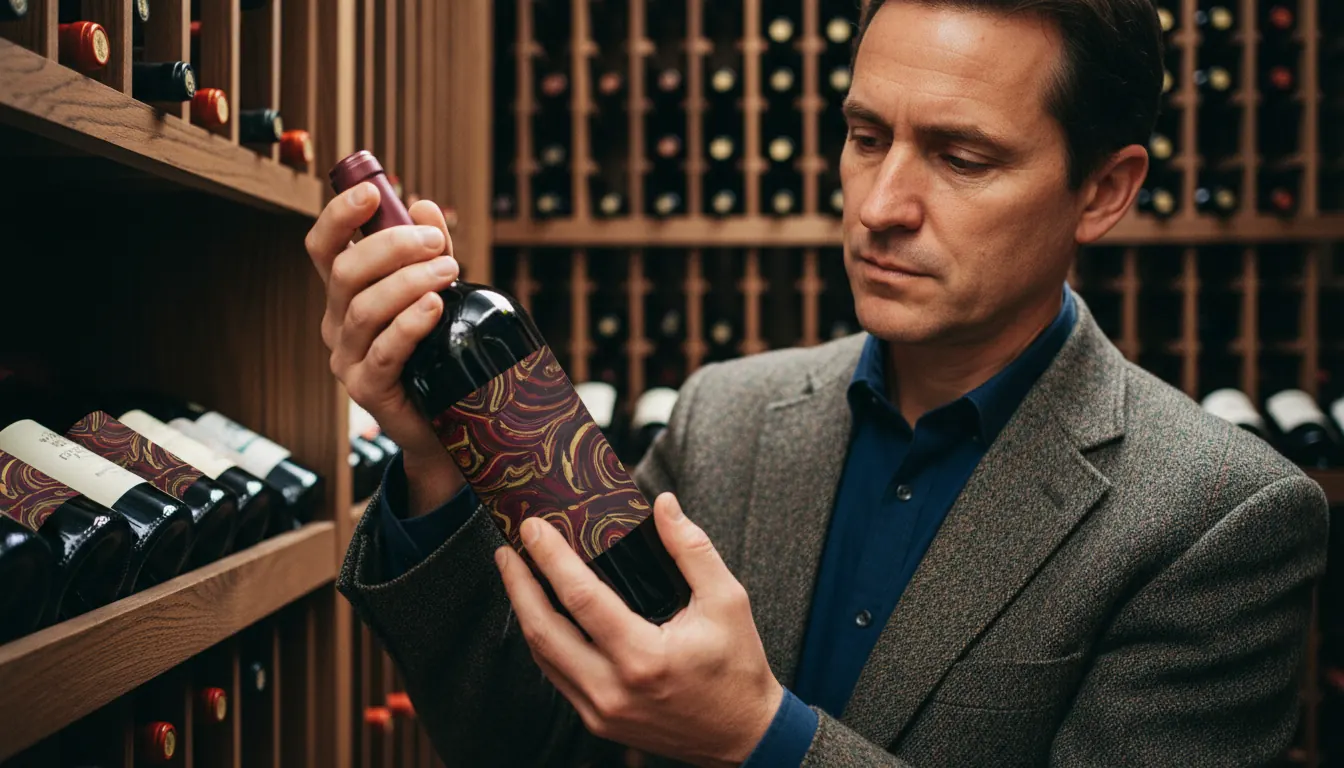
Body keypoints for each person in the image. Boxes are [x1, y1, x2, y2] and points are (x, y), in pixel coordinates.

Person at [305, 0, 1329, 765]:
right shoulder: (726, 419)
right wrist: (438, 456)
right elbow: (532, 743)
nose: (880, 205)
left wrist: (763, 737)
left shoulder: (1221, 517)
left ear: (1103, 191)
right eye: (866, 136)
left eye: (961, 156)